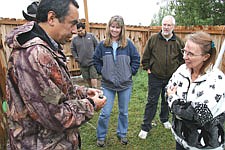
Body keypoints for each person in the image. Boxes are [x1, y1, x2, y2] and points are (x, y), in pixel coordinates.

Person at [5, 0, 106, 149]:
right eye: (72, 23)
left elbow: (55, 92)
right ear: (51, 18)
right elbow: (54, 116)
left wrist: (83, 92)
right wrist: (91, 104)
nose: (74, 30)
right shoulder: (33, 55)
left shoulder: (49, 47)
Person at [166, 31, 225, 150]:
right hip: (181, 137)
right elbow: (167, 90)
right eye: (184, 51)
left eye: (190, 54)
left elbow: (199, 115)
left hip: (204, 144)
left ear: (205, 57)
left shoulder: (217, 80)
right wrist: (179, 104)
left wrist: (173, 99)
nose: (184, 57)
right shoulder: (182, 70)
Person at [93, 15, 140, 147]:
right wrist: (102, 71)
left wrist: (131, 71)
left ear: (121, 29)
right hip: (108, 85)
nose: (114, 29)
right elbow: (95, 59)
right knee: (105, 113)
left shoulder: (128, 44)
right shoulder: (102, 45)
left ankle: (122, 133)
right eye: (112, 26)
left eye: (117, 27)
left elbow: (136, 59)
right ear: (109, 27)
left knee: (123, 112)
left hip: (125, 85)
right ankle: (101, 136)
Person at [138, 15, 185, 139]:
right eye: (164, 24)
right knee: (152, 101)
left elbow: (183, 59)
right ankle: (145, 126)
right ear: (161, 25)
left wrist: (178, 73)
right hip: (155, 76)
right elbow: (146, 56)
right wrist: (148, 68)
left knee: (167, 100)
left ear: (173, 27)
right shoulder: (153, 39)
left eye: (169, 25)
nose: (166, 27)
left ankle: (164, 119)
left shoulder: (179, 42)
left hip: (171, 78)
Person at [71, 22, 99, 88]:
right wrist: (76, 58)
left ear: (84, 29)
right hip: (82, 62)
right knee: (87, 78)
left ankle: (95, 89)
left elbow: (97, 46)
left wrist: (96, 56)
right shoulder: (74, 40)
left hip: (92, 62)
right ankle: (91, 89)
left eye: (81, 30)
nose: (80, 32)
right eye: (78, 31)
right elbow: (73, 49)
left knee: (93, 76)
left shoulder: (91, 36)